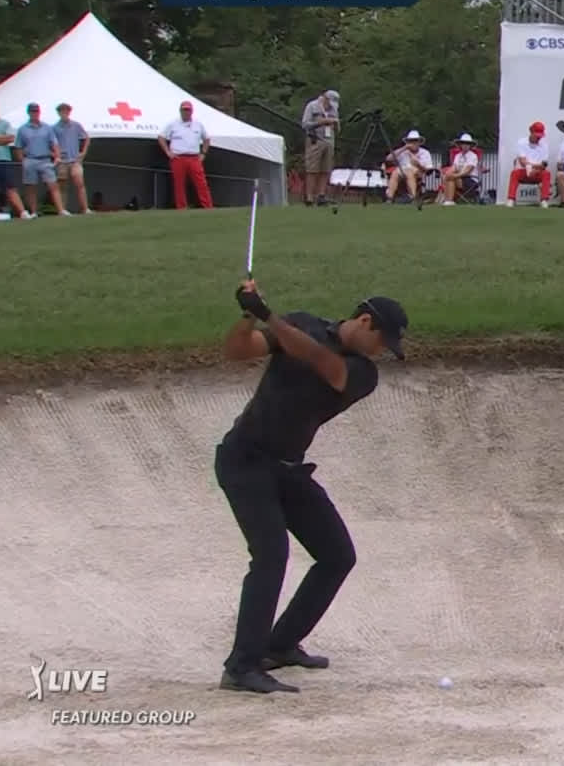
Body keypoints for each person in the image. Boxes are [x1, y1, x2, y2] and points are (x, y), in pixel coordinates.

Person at [214, 280, 409, 694]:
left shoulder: (363, 373)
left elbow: (323, 362)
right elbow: (238, 351)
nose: (381, 351)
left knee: (337, 555)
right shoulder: (302, 324)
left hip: (288, 470)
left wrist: (268, 316)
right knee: (271, 556)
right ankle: (241, 667)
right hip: (244, 461)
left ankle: (279, 646)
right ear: (364, 321)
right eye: (382, 341)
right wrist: (248, 315)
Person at [157, 101, 213, 209]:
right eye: (184, 110)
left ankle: (208, 206)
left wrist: (203, 153)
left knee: (201, 183)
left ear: (192, 111)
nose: (186, 112)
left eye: (188, 110)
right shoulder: (173, 124)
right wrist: (168, 152)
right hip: (178, 158)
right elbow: (161, 137)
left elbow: (207, 139)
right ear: (180, 111)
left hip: (194, 158)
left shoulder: (198, 124)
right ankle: (181, 207)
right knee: (179, 184)